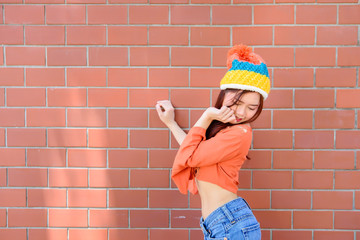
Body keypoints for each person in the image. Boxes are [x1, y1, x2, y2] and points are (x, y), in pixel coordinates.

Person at [156, 44, 270, 240]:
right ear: (225, 94)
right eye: (238, 103)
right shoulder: (225, 129)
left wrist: (207, 115)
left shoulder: (240, 133)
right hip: (221, 225)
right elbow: (193, 151)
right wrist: (171, 123)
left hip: (230, 224)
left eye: (252, 108)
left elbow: (190, 157)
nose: (242, 113)